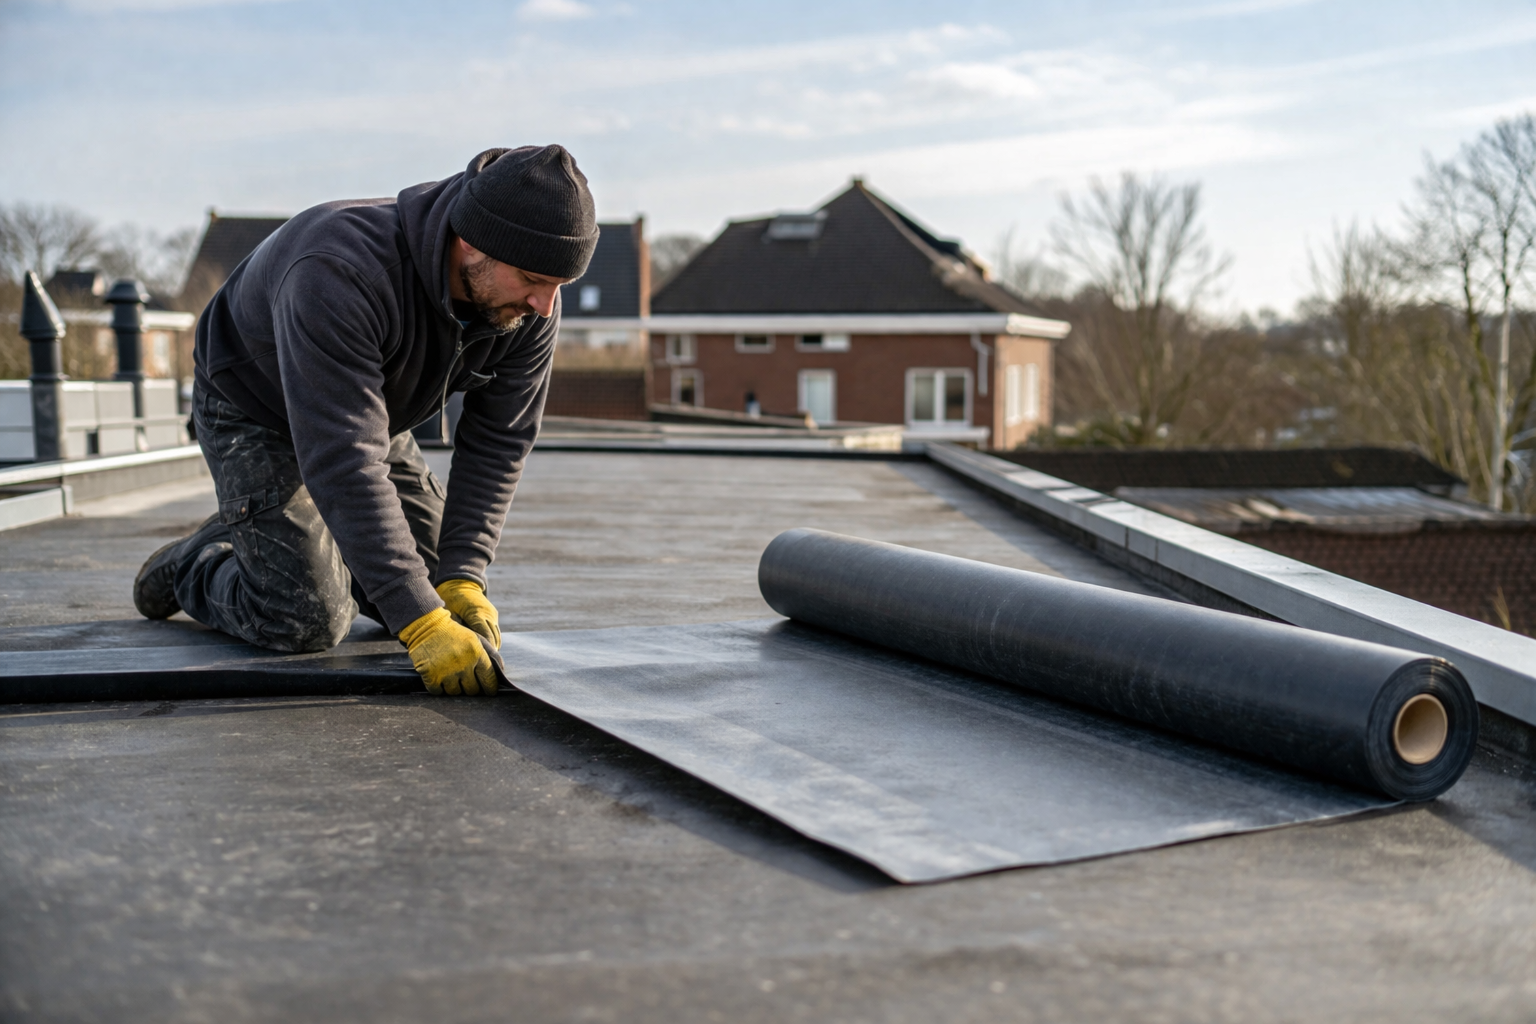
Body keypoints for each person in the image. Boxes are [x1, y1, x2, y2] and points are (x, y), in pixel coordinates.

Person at [132, 146, 598, 697]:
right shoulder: (338, 268)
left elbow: (499, 441)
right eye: (531, 280)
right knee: (308, 618)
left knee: (435, 587)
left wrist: (465, 574)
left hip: (368, 412)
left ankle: (284, 531)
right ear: (470, 241)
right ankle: (196, 562)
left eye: (558, 286)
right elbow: (344, 457)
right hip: (255, 407)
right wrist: (419, 621)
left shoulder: (531, 303)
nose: (545, 306)